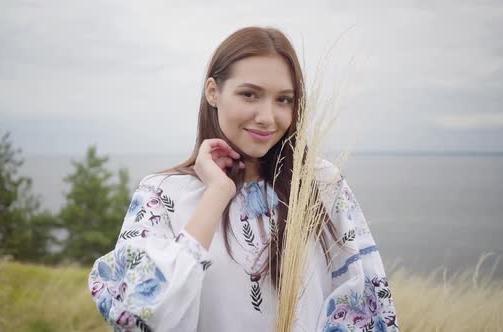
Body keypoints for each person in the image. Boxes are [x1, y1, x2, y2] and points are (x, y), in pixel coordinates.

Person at [88, 26, 400, 332]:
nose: (267, 117)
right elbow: (138, 311)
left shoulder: (320, 185)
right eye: (249, 94)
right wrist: (217, 193)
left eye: (284, 100)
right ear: (213, 92)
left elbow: (366, 306)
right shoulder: (162, 194)